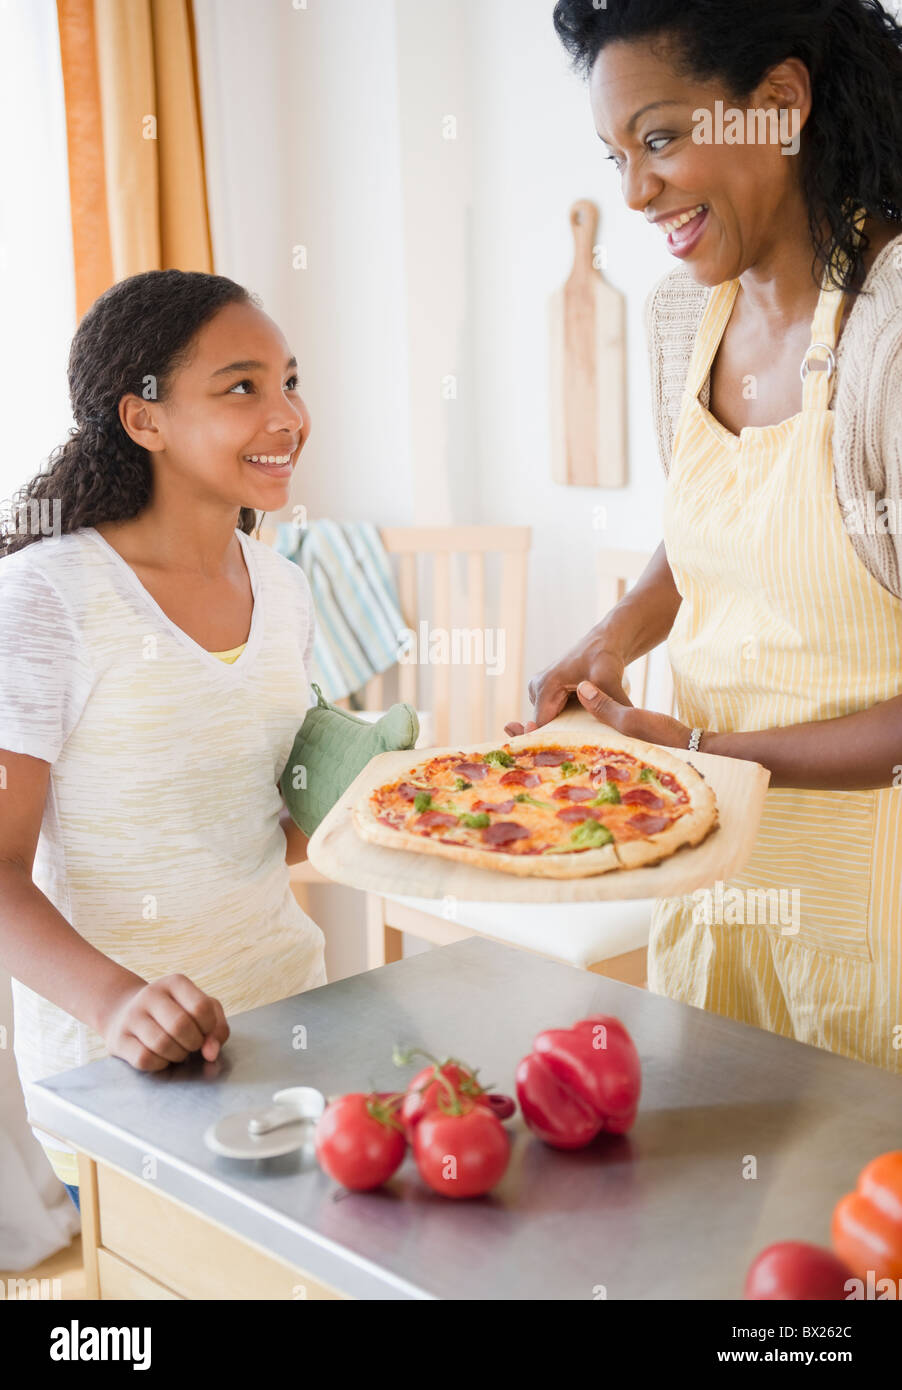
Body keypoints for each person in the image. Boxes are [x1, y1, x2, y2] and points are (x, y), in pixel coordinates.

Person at [508, 0, 902, 1072]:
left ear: (776, 106)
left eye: (661, 137)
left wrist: (704, 756)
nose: (632, 192)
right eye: (615, 153)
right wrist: (612, 636)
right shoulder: (684, 316)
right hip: (716, 878)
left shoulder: (889, 338)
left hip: (876, 917)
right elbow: (709, 522)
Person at [1, 270, 327, 1213]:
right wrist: (118, 1005)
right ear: (143, 420)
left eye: (289, 382)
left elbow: (268, 831)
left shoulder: (285, 588)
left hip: (292, 1035)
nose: (288, 416)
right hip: (122, 1082)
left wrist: (377, 804)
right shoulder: (47, 599)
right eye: (242, 388)